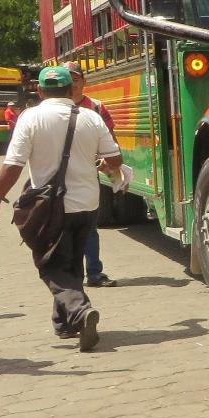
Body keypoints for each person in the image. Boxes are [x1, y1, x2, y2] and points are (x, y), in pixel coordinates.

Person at [0, 64, 123, 351]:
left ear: (39, 90)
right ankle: (66, 323)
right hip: (87, 204)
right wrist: (99, 163)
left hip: (50, 206)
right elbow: (115, 158)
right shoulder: (90, 117)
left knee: (49, 264)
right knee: (72, 264)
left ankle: (81, 311)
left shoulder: (30, 117)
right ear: (70, 88)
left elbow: (13, 164)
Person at [68, 63, 117, 287]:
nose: (71, 83)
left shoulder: (96, 107)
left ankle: (94, 273)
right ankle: (69, 275)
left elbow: (111, 142)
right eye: (66, 79)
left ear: (84, 81)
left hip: (88, 176)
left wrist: (111, 165)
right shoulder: (50, 108)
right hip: (55, 178)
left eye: (75, 78)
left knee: (89, 226)